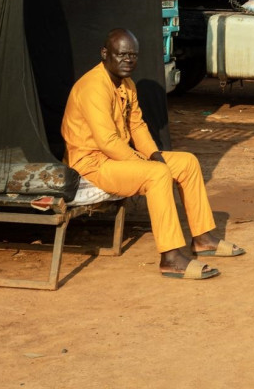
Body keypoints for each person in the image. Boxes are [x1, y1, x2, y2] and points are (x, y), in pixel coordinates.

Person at [61, 28, 244, 279]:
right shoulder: (94, 86)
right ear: (105, 54)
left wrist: (155, 155)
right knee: (157, 175)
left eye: (133, 56)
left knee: (187, 162)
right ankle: (170, 258)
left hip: (115, 158)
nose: (128, 61)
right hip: (92, 164)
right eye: (122, 55)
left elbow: (137, 126)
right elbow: (107, 142)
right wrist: (147, 163)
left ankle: (203, 238)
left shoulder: (127, 84)